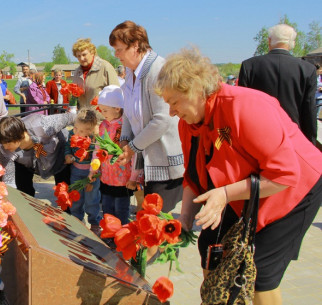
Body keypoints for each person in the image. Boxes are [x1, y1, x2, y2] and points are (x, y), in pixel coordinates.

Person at [154, 47, 322, 305]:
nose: (172, 111)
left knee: (259, 270)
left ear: (196, 90)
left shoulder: (244, 106)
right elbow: (194, 177)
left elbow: (285, 174)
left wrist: (224, 194)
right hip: (243, 190)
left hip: (295, 189)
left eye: (174, 102)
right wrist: (185, 216)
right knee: (210, 247)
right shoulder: (188, 124)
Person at [109, 20, 184, 213]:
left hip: (163, 160)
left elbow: (162, 120)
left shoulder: (158, 70)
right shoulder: (130, 71)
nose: (116, 55)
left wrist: (133, 147)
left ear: (135, 46)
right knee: (148, 221)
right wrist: (125, 139)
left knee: (157, 223)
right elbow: (128, 108)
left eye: (119, 50)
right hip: (144, 158)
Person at [238, 23, 318, 144]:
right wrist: (310, 143)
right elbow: (309, 112)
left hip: (257, 137)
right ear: (293, 43)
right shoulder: (307, 69)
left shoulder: (249, 66)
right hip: (294, 138)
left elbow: (241, 107)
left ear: (269, 41)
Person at [0, 112, 74, 197]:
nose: (5, 147)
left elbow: (73, 117)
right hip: (29, 162)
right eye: (2, 143)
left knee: (64, 192)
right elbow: (8, 180)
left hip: (59, 154)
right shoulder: (4, 148)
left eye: (7, 142)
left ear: (18, 135)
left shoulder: (42, 124)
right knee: (23, 188)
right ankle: (26, 205)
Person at [93, 85, 142, 225]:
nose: (102, 113)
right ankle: (110, 235)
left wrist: (134, 177)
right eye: (101, 110)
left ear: (117, 108)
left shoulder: (127, 128)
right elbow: (98, 148)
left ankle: (122, 238)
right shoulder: (104, 126)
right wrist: (94, 167)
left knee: (121, 211)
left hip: (123, 179)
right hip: (106, 177)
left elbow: (135, 154)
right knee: (107, 210)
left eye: (105, 110)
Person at [64, 109, 101, 234]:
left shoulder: (95, 139)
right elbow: (67, 146)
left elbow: (97, 158)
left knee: (92, 199)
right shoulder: (72, 134)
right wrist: (67, 155)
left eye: (80, 131)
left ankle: (94, 222)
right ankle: (77, 220)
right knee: (76, 198)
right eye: (75, 128)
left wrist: (93, 176)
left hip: (91, 174)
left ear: (89, 131)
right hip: (76, 171)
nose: (76, 132)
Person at [72, 38, 120, 109]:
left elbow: (116, 94)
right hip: (83, 117)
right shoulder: (77, 72)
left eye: (84, 55)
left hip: (102, 118)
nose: (81, 58)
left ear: (92, 52)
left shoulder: (105, 67)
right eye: (78, 56)